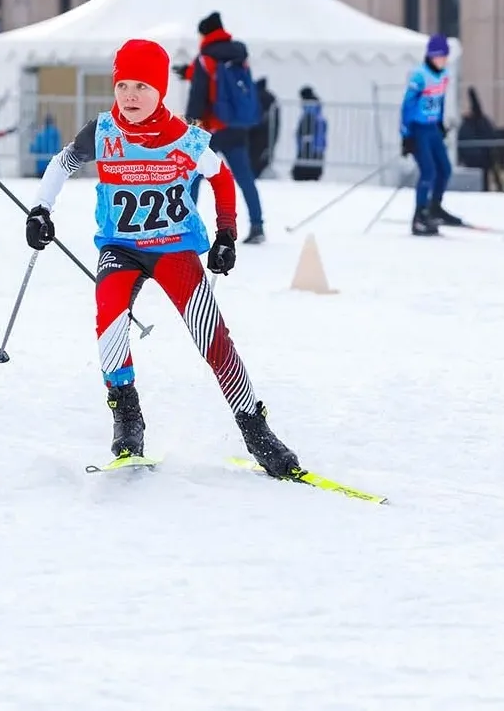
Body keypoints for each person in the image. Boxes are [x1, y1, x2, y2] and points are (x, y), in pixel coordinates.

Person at [23, 38, 300, 476]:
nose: (130, 96)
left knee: (212, 338)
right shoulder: (102, 132)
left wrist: (226, 232)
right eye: (122, 86)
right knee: (108, 323)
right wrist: (41, 209)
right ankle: (127, 418)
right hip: (121, 247)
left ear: (160, 91)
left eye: (141, 87)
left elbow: (222, 178)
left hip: (174, 249)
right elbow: (62, 164)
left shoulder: (184, 138)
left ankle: (256, 430)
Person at [182, 12, 266, 244]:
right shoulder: (239, 55)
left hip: (210, 129)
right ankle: (258, 225)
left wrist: (191, 125)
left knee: (194, 176)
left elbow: (198, 96)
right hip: (235, 127)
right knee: (244, 178)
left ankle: (186, 226)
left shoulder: (205, 58)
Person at [400, 33, 462, 236]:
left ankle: (435, 206)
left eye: (443, 56)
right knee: (428, 171)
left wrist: (440, 123)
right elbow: (407, 106)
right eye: (437, 56)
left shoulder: (443, 75)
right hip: (418, 129)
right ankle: (419, 216)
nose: (440, 60)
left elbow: (440, 101)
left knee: (444, 169)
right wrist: (406, 135)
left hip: (432, 128)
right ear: (429, 56)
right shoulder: (419, 76)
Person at [292, 86, 327, 182]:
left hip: (309, 150)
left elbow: (306, 132)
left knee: (300, 175)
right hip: (316, 150)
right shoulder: (318, 112)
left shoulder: (310, 112)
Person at [247, 77, 279, 178]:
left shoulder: (256, 96)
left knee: (253, 156)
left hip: (256, 132)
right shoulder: (271, 98)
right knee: (263, 156)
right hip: (268, 132)